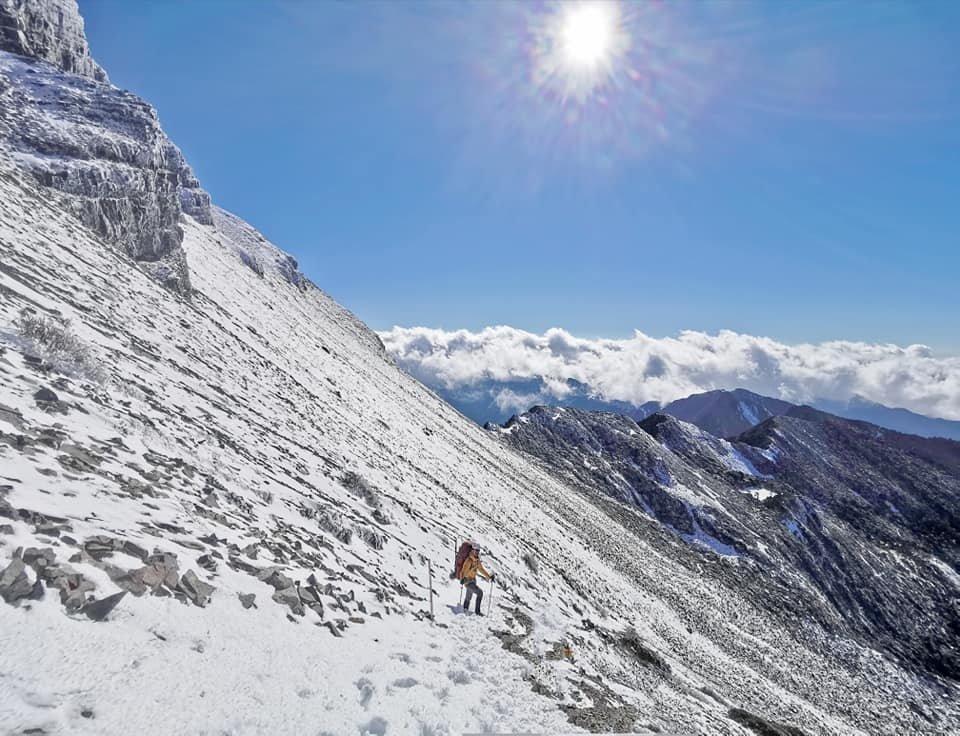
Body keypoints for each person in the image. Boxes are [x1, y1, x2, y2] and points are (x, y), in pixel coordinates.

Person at [459, 547, 494, 616]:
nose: (477, 552)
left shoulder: (477, 560)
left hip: (473, 580)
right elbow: (464, 570)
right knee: (480, 593)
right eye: (476, 550)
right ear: (472, 551)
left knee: (469, 596)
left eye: (478, 551)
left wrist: (489, 576)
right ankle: (477, 612)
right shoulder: (469, 560)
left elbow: (481, 569)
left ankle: (465, 609)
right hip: (467, 581)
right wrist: (462, 578)